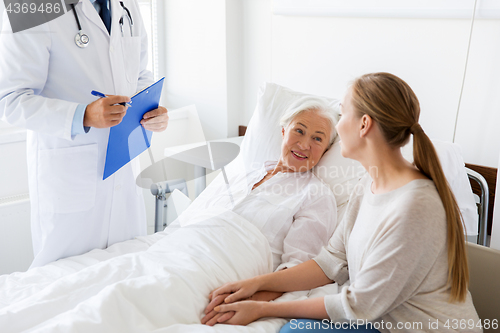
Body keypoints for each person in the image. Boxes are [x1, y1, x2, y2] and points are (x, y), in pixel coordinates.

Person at [206, 73, 481, 333]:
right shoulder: (368, 185)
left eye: (343, 114)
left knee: (293, 330)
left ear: (364, 125)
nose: (337, 125)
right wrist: (254, 285)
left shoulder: (416, 206)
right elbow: (331, 263)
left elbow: (359, 305)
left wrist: (261, 310)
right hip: (381, 322)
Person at [0, 0, 168, 268]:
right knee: (65, 284)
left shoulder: (126, 5)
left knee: (126, 275)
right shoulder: (31, 4)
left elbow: (139, 73)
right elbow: (10, 99)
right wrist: (82, 115)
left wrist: (151, 110)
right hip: (69, 181)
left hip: (122, 170)